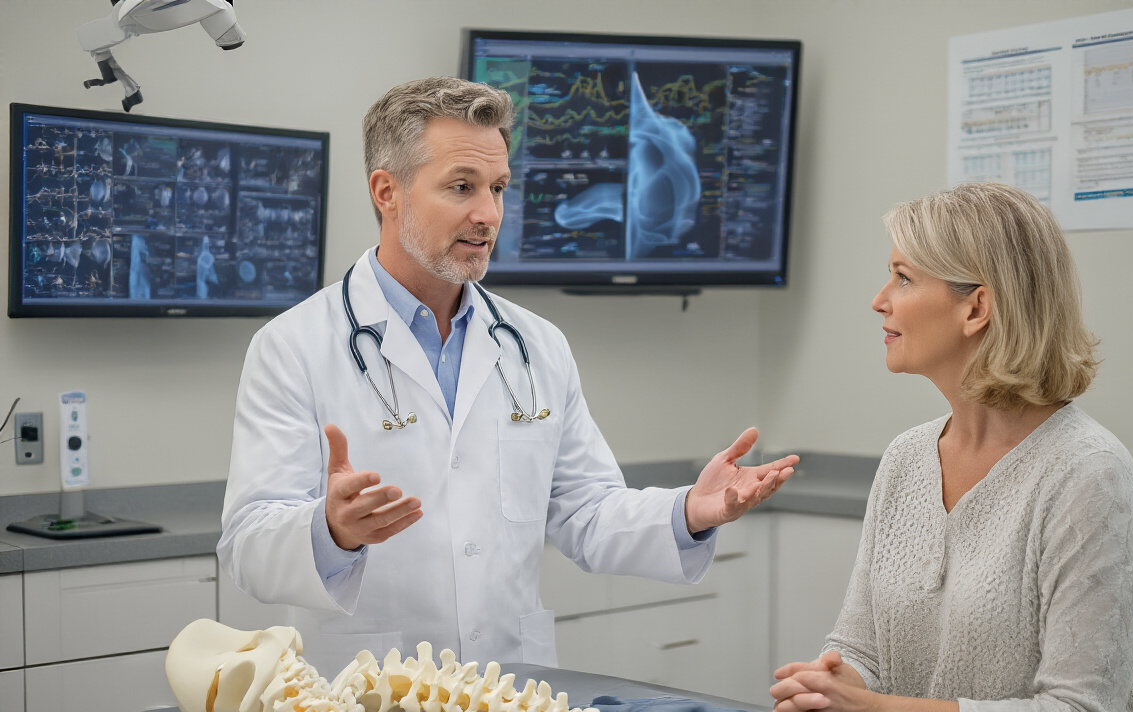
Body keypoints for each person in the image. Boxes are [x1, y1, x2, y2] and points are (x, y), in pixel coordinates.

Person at [218, 77, 798, 675]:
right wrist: (331, 530)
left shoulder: (536, 346)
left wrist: (689, 513)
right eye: (462, 187)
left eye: (497, 188)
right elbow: (248, 544)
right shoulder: (293, 347)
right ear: (386, 192)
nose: (488, 214)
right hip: (366, 705)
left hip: (512, 695)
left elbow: (586, 510)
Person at [769, 182, 1133, 712]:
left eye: (902, 278)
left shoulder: (1088, 474)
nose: (879, 300)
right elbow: (860, 647)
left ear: (976, 308)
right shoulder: (905, 458)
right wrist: (828, 688)